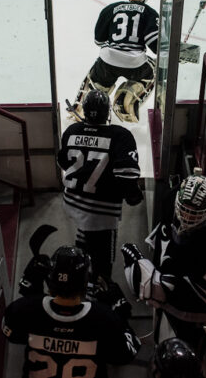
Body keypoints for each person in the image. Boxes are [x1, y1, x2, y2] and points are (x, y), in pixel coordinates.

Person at [121, 168, 206, 349]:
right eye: (184, 210)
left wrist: (152, 283)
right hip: (167, 303)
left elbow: (204, 297)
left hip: (193, 315)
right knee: (161, 341)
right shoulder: (170, 199)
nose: (186, 218)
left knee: (184, 355)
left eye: (194, 214)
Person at [3, 245, 141, 378]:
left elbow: (14, 335)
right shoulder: (104, 318)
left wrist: (31, 290)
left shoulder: (23, 310)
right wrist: (120, 311)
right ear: (85, 282)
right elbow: (126, 354)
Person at [58, 89, 143, 285]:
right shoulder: (120, 135)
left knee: (85, 233)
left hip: (72, 202)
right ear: (107, 113)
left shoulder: (71, 131)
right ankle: (98, 289)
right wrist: (132, 194)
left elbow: (63, 162)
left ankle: (81, 266)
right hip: (102, 211)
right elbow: (127, 173)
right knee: (104, 260)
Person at [70, 0, 159, 123]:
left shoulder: (110, 9)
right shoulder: (149, 12)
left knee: (96, 74)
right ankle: (125, 101)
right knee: (155, 70)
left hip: (108, 61)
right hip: (135, 64)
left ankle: (82, 108)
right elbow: (156, 46)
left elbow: (99, 41)